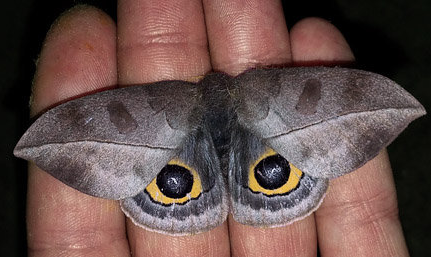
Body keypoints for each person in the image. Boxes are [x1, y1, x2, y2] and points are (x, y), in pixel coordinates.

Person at [26, 1, 409, 256]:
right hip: (264, 158)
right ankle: (266, 180)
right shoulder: (261, 85)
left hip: (182, 171)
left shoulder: (168, 96)